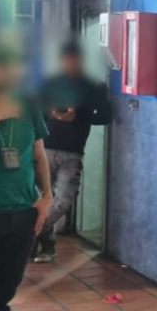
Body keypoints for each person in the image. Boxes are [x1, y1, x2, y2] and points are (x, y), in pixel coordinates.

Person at [0, 35, 53, 310]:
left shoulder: (28, 102)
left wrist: (46, 197)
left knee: (5, 290)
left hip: (21, 214)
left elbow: (38, 155)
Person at [33, 40, 111, 262]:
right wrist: (50, 113)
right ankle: (46, 245)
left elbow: (105, 116)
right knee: (42, 197)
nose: (71, 65)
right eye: (67, 61)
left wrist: (79, 115)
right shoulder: (49, 84)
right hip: (45, 149)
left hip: (73, 151)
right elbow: (34, 111)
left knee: (64, 199)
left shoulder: (94, 87)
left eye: (74, 61)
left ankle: (31, 232)